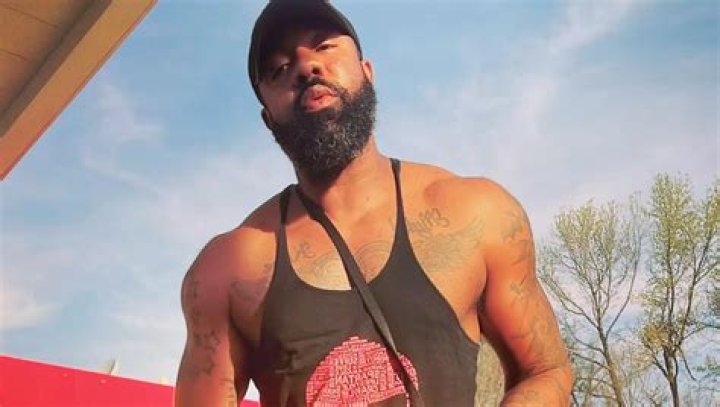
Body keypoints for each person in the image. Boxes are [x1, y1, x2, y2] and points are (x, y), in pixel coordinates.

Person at [175, 1, 573, 406]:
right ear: (268, 119)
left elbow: (546, 371)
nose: (307, 66)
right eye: (279, 68)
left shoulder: (476, 213)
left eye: (324, 46)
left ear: (367, 71)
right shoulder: (226, 270)